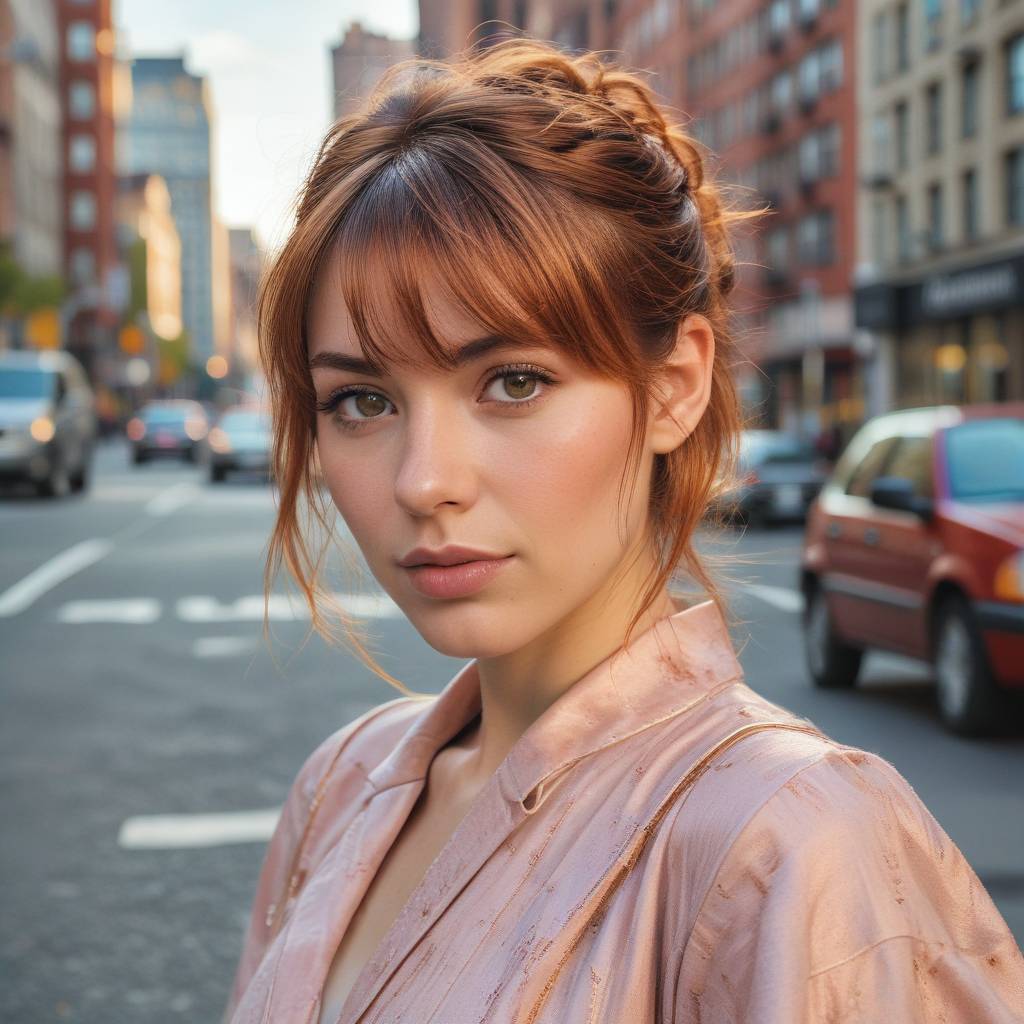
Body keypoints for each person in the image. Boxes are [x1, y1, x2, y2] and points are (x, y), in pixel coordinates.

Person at [224, 38, 1024, 1024]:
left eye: (512, 382)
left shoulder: (793, 837)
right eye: (360, 399)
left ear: (676, 385)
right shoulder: (341, 784)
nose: (425, 479)